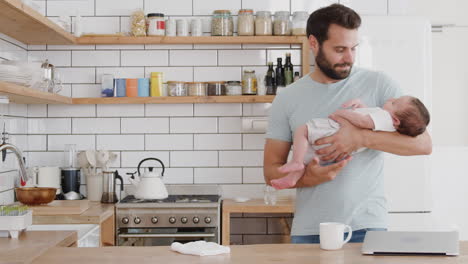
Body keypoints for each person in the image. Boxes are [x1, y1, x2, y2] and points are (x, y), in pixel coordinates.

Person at [263, 4, 432, 244]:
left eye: (354, 48)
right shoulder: (288, 98)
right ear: (314, 43)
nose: (350, 58)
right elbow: (270, 171)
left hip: (367, 226)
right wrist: (310, 177)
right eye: (340, 49)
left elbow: (423, 144)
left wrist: (360, 138)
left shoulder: (380, 85)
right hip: (310, 230)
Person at [271, 96, 431, 190]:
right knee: (309, 155)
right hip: (341, 144)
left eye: (394, 103)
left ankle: (296, 162)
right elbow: (367, 116)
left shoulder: (385, 117)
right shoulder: (387, 122)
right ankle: (293, 177)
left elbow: (362, 121)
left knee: (302, 131)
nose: (390, 99)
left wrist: (343, 113)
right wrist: (361, 106)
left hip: (335, 128)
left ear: (396, 119)